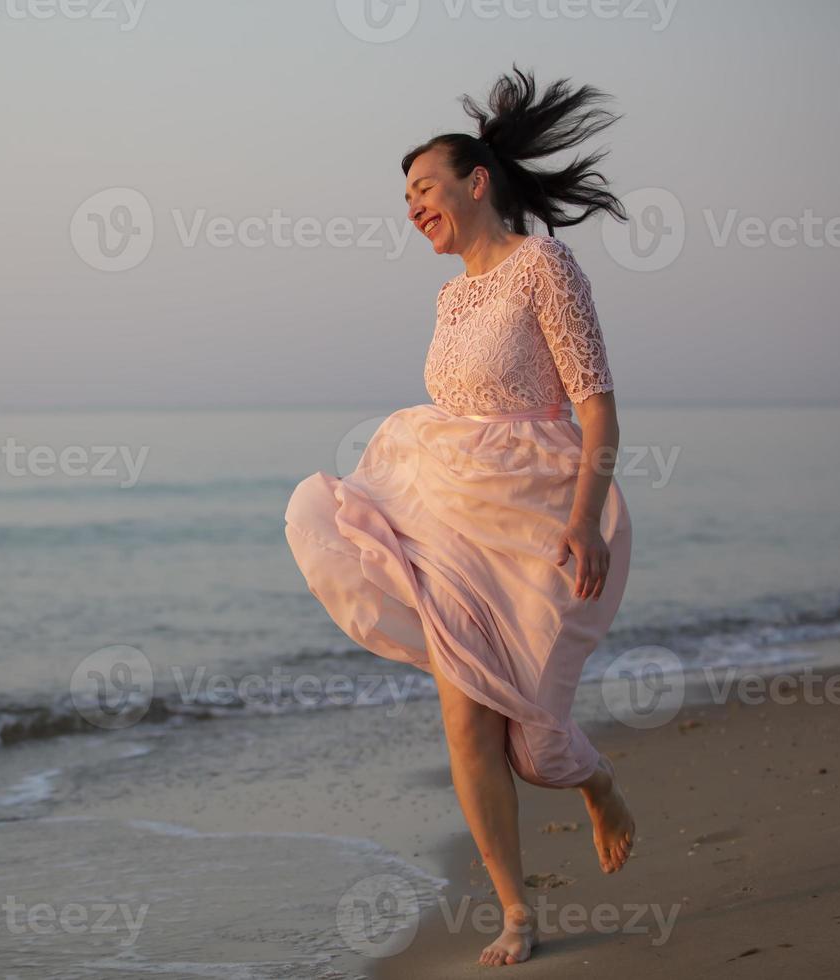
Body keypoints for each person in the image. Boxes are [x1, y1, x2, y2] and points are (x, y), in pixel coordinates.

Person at [283, 65, 636, 967]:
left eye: (425, 188)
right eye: (405, 197)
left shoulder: (544, 267)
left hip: (536, 516)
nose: (413, 207)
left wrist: (588, 521)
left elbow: (596, 406)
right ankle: (516, 911)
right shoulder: (449, 296)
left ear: (477, 183)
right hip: (448, 518)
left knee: (533, 742)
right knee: (465, 717)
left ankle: (594, 782)